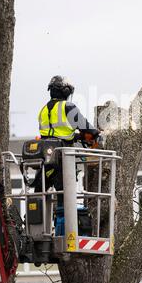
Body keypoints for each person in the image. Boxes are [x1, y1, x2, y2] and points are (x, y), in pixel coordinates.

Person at [36, 76, 100, 235]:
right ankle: (63, 231)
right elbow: (87, 129)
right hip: (63, 155)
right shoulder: (68, 107)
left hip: (46, 156)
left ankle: (40, 228)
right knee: (65, 194)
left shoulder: (43, 109)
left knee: (42, 191)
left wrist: (76, 137)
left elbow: (54, 132)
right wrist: (95, 135)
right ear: (66, 92)